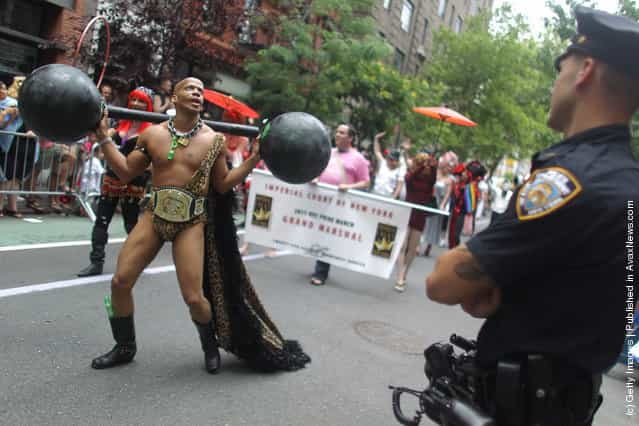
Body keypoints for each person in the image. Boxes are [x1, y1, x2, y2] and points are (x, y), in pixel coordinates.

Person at [426, 7, 639, 425]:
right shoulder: (626, 180)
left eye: (560, 67)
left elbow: (443, 282)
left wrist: (494, 283)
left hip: (518, 409)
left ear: (585, 71)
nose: (553, 82)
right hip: (568, 403)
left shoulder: (569, 180)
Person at [91, 77, 310, 374]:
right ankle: (124, 346)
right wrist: (104, 138)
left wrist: (254, 158)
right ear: (175, 97)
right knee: (119, 282)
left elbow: (222, 185)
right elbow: (126, 172)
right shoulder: (152, 135)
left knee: (195, 298)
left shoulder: (213, 140)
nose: (196, 93)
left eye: (200, 90)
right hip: (154, 216)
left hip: (191, 223)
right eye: (189, 89)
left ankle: (209, 346)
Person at [77, 87, 155, 277]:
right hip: (112, 179)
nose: (136, 104)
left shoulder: (153, 132)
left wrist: (136, 165)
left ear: (149, 105)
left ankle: (136, 261)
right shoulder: (119, 126)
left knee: (131, 224)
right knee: (101, 220)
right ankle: (96, 261)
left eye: (142, 101)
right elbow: (100, 146)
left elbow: (154, 164)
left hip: (135, 183)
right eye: (134, 100)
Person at [309, 124, 370, 286]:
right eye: (336, 132)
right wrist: (316, 178)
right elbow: (319, 169)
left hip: (340, 203)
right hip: (320, 199)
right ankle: (319, 264)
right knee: (316, 231)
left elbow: (365, 182)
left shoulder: (358, 159)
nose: (337, 135)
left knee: (327, 234)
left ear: (350, 138)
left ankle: (320, 272)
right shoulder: (328, 152)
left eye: (342, 133)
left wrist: (348, 187)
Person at [394, 152, 437, 292]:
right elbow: (409, 179)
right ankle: (400, 276)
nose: (424, 166)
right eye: (420, 163)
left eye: (425, 163)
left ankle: (405, 274)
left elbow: (433, 180)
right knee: (402, 246)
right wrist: (420, 167)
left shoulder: (429, 179)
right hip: (407, 212)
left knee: (412, 249)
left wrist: (433, 167)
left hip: (420, 216)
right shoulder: (410, 176)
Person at [371, 131, 404, 199]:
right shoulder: (383, 163)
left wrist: (393, 198)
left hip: (387, 197)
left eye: (392, 160)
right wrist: (376, 139)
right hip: (375, 193)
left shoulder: (400, 171)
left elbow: (399, 186)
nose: (389, 161)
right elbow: (377, 151)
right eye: (389, 158)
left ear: (397, 161)